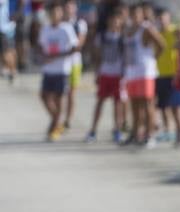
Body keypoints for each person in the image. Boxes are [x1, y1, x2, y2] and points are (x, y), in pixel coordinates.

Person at [120, 2, 162, 146]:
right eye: (132, 14)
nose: (135, 16)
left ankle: (150, 135)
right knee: (134, 104)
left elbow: (161, 44)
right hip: (132, 72)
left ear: (142, 14)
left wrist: (153, 59)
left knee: (148, 103)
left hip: (145, 72)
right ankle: (135, 134)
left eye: (137, 14)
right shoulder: (128, 30)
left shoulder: (146, 29)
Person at [86, 1, 127, 143]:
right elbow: (97, 56)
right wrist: (97, 72)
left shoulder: (123, 38)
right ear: (108, 21)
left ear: (121, 22)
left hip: (118, 75)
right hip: (105, 73)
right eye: (113, 20)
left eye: (117, 20)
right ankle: (93, 130)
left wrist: (124, 74)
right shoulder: (102, 36)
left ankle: (117, 130)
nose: (115, 23)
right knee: (100, 102)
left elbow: (126, 57)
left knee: (117, 104)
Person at [38, 2, 78, 140]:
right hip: (48, 70)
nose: (55, 15)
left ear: (61, 13)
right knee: (44, 96)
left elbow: (75, 48)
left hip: (62, 70)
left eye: (57, 12)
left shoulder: (66, 28)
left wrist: (56, 56)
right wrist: (43, 56)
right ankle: (56, 120)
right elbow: (41, 46)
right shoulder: (45, 29)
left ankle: (54, 127)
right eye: (52, 12)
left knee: (58, 99)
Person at [151, 5, 180, 143]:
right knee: (162, 105)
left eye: (164, 18)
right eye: (160, 18)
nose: (162, 21)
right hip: (159, 73)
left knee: (173, 105)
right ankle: (167, 129)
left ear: (169, 18)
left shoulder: (174, 31)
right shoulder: (157, 33)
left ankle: (178, 131)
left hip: (172, 73)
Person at [60, 1, 86, 133]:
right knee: (60, 94)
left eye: (71, 6)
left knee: (71, 93)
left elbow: (79, 44)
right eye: (67, 6)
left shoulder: (80, 23)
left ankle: (68, 120)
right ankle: (59, 118)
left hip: (74, 63)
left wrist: (63, 51)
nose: (69, 9)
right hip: (60, 63)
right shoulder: (59, 23)